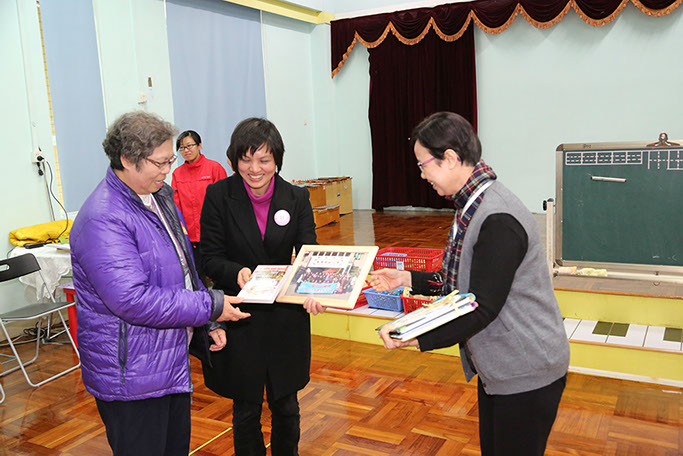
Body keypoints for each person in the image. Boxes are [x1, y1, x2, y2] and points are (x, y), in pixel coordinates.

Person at [370, 112, 570, 456]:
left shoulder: (498, 217)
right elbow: (462, 283)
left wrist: (414, 334)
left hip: (526, 368)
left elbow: (481, 306)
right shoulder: (472, 204)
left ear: (449, 158)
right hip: (501, 366)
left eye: (423, 165)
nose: (422, 175)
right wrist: (408, 278)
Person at [70, 111, 251, 456]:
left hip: (168, 360)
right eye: (161, 162)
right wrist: (211, 305)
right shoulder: (103, 218)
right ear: (128, 160)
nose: (169, 169)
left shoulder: (159, 195)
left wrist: (206, 321)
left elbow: (184, 268)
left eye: (171, 160)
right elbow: (132, 300)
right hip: (131, 375)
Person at [199, 117, 324, 456]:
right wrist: (237, 271)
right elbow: (208, 257)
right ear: (234, 160)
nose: (254, 169)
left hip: (286, 315)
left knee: (287, 404)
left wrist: (314, 289)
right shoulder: (218, 196)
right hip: (240, 313)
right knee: (246, 408)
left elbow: (309, 254)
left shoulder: (296, 197)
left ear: (277, 160)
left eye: (264, 160)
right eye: (246, 160)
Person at [172, 130, 227, 283]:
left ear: (199, 145)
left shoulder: (214, 168)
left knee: (219, 275)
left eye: (190, 146)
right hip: (190, 236)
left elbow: (225, 201)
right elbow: (176, 205)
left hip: (214, 233)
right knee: (197, 277)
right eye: (182, 148)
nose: (186, 150)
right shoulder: (177, 174)